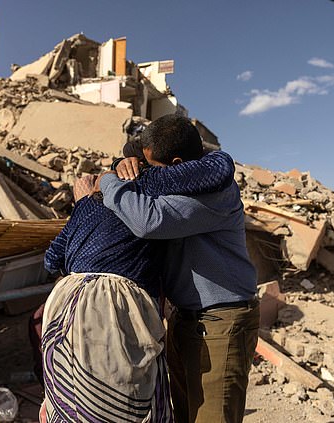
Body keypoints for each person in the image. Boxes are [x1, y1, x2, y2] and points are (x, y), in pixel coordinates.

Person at [39, 137, 236, 423]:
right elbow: (219, 168)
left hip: (65, 307)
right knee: (125, 394)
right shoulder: (149, 186)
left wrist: (89, 200)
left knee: (73, 396)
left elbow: (51, 260)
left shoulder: (89, 203)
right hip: (114, 311)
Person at [100, 114, 260, 423]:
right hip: (188, 319)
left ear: (176, 164)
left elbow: (148, 220)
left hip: (220, 323)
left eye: (153, 168)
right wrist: (124, 163)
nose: (147, 174)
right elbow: (136, 153)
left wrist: (109, 182)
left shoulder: (214, 192)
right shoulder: (185, 177)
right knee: (186, 413)